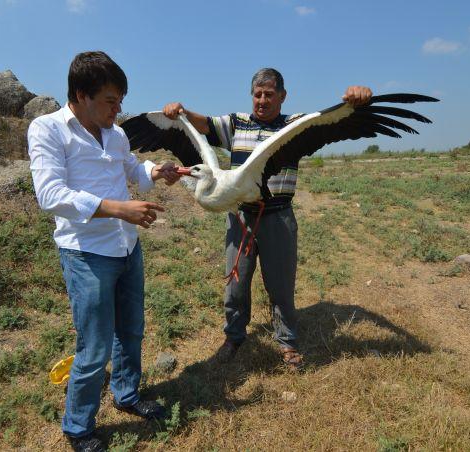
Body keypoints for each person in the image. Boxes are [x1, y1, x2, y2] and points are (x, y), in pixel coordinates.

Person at [163, 68, 371, 370]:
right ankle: (234, 337)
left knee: (281, 284)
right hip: (240, 217)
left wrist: (358, 100)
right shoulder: (236, 124)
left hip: (278, 218)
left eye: (269, 95)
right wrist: (178, 111)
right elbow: (203, 124)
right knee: (235, 283)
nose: (261, 100)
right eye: (257, 94)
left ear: (282, 97)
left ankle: (287, 343)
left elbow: (335, 116)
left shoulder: (294, 125)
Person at [28, 51, 180, 452]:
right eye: (111, 100)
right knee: (94, 347)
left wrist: (156, 172)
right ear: (81, 94)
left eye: (120, 100)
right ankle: (78, 427)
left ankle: (127, 394)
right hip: (87, 253)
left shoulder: (115, 133)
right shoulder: (47, 130)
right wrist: (119, 209)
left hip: (126, 246)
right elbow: (50, 194)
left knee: (130, 331)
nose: (119, 109)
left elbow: (129, 168)